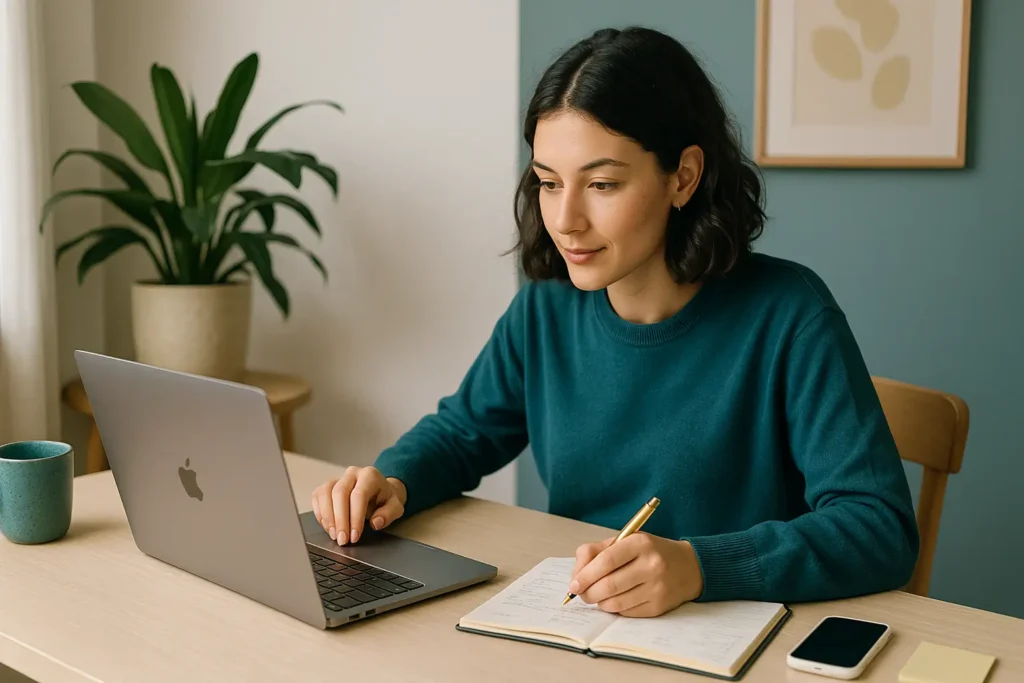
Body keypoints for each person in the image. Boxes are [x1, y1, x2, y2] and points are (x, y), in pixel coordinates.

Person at [310, 26, 919, 618]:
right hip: (586, 627)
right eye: (549, 183)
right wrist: (393, 480)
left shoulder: (789, 314)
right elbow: (462, 433)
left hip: (734, 641)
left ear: (683, 176)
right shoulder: (545, 310)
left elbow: (878, 528)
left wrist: (700, 566)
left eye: (601, 183)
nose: (566, 219)